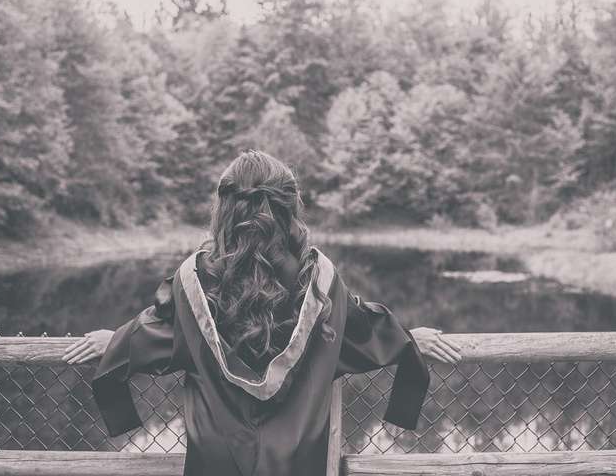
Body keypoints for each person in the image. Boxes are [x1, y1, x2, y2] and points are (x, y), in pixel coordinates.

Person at [62, 149, 462, 476]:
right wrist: (408, 339)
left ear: (225, 206)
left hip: (216, 456)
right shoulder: (318, 279)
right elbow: (358, 328)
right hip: (300, 456)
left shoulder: (194, 278)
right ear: (290, 207)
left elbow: (162, 331)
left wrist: (116, 341)